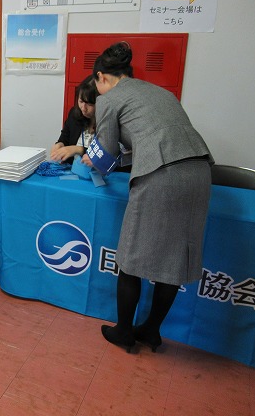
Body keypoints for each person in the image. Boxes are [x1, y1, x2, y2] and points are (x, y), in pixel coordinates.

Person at [83, 41, 213, 353]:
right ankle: (152, 331)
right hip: (199, 171)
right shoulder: (159, 92)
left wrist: (91, 158)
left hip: (162, 177)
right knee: (174, 258)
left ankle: (124, 332)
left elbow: (107, 155)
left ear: (101, 77)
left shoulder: (109, 99)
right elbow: (151, 140)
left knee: (130, 257)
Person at [50, 74, 97, 163]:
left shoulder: (109, 121)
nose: (83, 108)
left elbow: (107, 154)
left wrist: (78, 149)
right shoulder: (74, 114)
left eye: (90, 104)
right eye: (81, 101)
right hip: (74, 168)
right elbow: (64, 138)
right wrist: (59, 145)